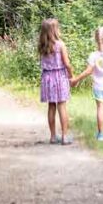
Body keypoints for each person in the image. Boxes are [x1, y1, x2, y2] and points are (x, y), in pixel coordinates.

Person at [38, 17, 74, 145]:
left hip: (47, 78)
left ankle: (53, 136)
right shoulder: (60, 45)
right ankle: (64, 136)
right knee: (62, 106)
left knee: (51, 106)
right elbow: (67, 63)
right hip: (59, 76)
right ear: (55, 30)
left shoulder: (42, 46)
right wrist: (71, 76)